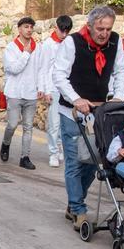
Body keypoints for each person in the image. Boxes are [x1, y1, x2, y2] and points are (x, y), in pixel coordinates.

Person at [50, 5, 124, 229]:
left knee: (94, 162)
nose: (104, 34)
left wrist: (119, 96)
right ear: (90, 25)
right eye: (100, 28)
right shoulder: (72, 43)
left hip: (99, 111)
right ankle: (79, 210)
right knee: (74, 161)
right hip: (71, 112)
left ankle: (74, 203)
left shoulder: (115, 42)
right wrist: (76, 99)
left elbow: (121, 70)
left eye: (108, 29)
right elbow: (59, 75)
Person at [0, 17, 51, 170]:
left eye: (31, 27)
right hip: (14, 92)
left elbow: (42, 69)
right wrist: (26, 54)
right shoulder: (11, 48)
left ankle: (25, 157)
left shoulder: (38, 47)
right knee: (12, 124)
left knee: (28, 126)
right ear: (19, 29)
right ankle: (6, 144)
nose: (29, 30)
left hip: (30, 93)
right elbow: (14, 68)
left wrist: (41, 87)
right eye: (26, 27)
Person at [39, 15, 73, 167]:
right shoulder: (48, 45)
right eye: (62, 31)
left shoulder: (69, 44)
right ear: (56, 28)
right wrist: (44, 89)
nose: (64, 35)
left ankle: (60, 147)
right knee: (54, 123)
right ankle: (53, 152)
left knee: (64, 121)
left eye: (67, 32)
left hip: (65, 87)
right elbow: (43, 68)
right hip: (53, 88)